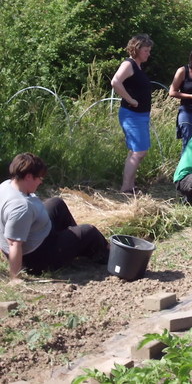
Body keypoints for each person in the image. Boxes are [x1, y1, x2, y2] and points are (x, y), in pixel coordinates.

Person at [0, 153, 109, 283]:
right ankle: (109, 256)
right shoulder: (21, 207)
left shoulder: (6, 185)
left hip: (38, 236)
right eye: (39, 178)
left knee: (56, 204)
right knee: (89, 231)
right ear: (28, 177)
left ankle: (75, 246)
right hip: (37, 258)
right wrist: (15, 277)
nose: (41, 181)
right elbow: (14, 243)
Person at [111, 34, 154, 194]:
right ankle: (126, 188)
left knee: (137, 151)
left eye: (149, 50)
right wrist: (130, 99)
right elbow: (115, 82)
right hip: (131, 114)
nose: (148, 54)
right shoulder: (128, 64)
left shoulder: (137, 66)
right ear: (136, 49)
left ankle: (130, 186)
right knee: (139, 151)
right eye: (146, 50)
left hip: (140, 115)